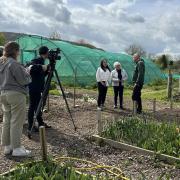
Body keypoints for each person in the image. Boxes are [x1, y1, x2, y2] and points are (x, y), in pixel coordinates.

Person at [0, 41, 31, 156]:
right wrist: (27, 72)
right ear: (16, 51)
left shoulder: (1, 61)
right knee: (17, 121)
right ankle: (17, 148)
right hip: (16, 94)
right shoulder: (14, 63)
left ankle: (7, 147)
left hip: (3, 93)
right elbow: (24, 80)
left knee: (7, 120)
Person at [27, 46, 51, 134]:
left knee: (37, 106)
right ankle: (30, 126)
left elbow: (40, 75)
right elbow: (31, 68)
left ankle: (40, 123)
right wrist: (43, 67)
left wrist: (47, 72)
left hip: (38, 87)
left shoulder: (42, 61)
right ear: (45, 52)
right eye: (48, 52)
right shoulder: (37, 60)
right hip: (34, 87)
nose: (49, 54)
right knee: (32, 106)